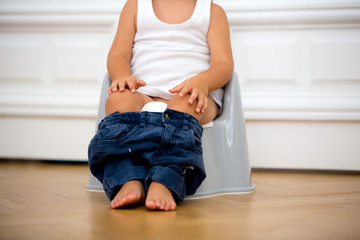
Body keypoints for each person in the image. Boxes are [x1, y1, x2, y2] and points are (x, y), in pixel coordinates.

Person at [88, 0, 233, 211]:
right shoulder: (135, 7)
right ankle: (129, 178)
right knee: (118, 100)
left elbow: (224, 64)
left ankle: (165, 180)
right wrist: (123, 77)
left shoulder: (212, 12)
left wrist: (203, 82)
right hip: (144, 93)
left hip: (192, 94)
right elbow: (118, 54)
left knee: (186, 104)